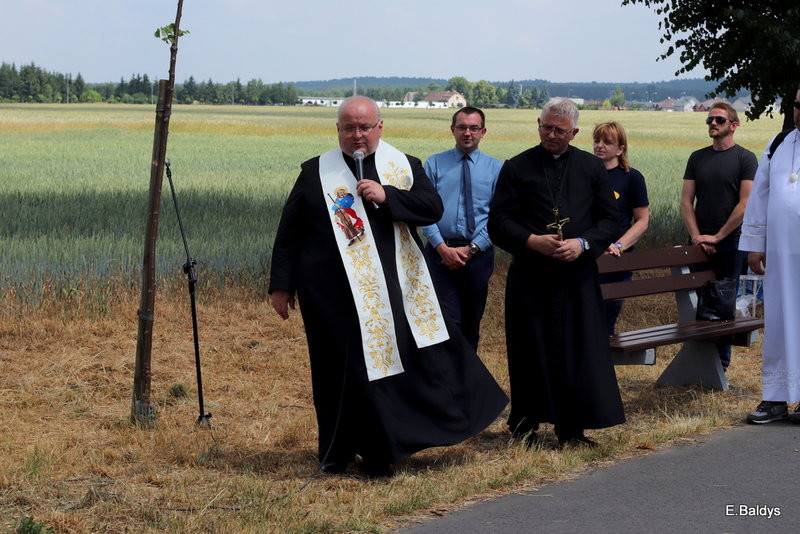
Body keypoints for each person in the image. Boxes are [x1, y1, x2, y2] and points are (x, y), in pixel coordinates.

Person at [268, 96, 508, 476]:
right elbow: (290, 231)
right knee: (334, 376)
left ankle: (382, 453)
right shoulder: (317, 171)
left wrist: (388, 196)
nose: (357, 135)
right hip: (331, 299)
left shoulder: (404, 165)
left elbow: (432, 208)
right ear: (338, 130)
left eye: (365, 127)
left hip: (393, 293)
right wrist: (281, 285)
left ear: (379, 127)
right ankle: (335, 452)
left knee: (387, 373)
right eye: (349, 128)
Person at [488, 97, 625, 448]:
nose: (551, 134)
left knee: (577, 350)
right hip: (531, 276)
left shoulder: (591, 169)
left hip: (576, 276)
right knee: (529, 349)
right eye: (546, 127)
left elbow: (612, 219)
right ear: (538, 123)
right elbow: (498, 223)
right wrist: (531, 240)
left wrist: (582, 243)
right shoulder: (516, 168)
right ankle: (525, 426)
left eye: (559, 131)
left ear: (574, 132)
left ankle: (572, 429)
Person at [680, 102, 757, 369]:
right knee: (698, 300)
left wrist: (718, 237)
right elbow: (686, 202)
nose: (713, 123)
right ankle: (701, 359)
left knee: (723, 302)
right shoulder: (697, 158)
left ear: (733, 125)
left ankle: (720, 363)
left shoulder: (745, 159)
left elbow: (744, 204)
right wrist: (698, 236)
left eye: (719, 120)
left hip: (731, 242)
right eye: (710, 120)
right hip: (699, 242)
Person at [740, 85, 800, 424]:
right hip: (780, 253)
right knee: (778, 320)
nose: (799, 112)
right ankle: (775, 398)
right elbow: (759, 197)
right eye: (796, 105)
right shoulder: (777, 145)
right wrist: (754, 243)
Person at [421, 107, 502, 351]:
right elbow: (425, 210)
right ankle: (446, 378)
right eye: (462, 127)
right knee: (446, 320)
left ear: (483, 131)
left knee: (470, 321)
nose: (468, 133)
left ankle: (469, 379)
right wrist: (442, 248)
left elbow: (498, 215)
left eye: (474, 128)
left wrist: (474, 247)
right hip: (440, 253)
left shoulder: (495, 168)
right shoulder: (434, 164)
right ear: (453, 129)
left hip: (478, 255)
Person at [593, 121, 650, 336]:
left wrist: (618, 245)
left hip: (617, 259)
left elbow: (642, 220)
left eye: (607, 142)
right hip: (588, 255)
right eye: (597, 140)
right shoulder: (584, 174)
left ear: (620, 148)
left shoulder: (632, 178)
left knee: (607, 320)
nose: (600, 145)